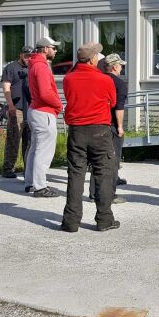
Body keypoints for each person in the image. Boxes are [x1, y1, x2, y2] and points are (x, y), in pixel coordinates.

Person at [60, 42, 120, 232]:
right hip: (100, 130)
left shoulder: (68, 79)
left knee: (76, 174)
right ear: (93, 59)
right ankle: (104, 219)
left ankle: (71, 221)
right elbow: (113, 102)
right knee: (103, 173)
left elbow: (70, 99)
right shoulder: (104, 79)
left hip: (77, 130)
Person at [25, 37, 63, 198]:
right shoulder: (41, 66)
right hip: (43, 111)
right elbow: (45, 92)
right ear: (45, 49)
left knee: (35, 149)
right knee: (43, 151)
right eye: (54, 48)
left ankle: (30, 183)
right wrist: (59, 105)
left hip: (35, 110)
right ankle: (40, 186)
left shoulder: (35, 63)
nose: (55, 51)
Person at [89, 53, 128, 204]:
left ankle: (93, 193)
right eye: (121, 65)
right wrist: (120, 127)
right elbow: (119, 108)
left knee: (97, 159)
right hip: (110, 125)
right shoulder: (119, 83)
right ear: (115, 66)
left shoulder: (96, 80)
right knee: (113, 160)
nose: (122, 68)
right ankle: (109, 194)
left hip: (95, 123)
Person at [0, 46, 33, 179]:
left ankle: (28, 169)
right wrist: (10, 105)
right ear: (21, 55)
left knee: (29, 141)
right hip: (17, 108)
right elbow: (6, 87)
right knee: (13, 139)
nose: (28, 58)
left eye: (30, 56)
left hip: (30, 108)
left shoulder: (33, 67)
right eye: (26, 56)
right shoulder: (11, 67)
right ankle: (8, 168)